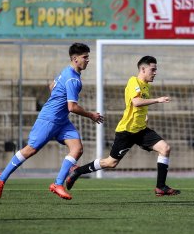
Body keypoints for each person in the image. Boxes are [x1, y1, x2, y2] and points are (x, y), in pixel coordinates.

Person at [0, 43, 104, 200]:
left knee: (77, 148)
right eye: (85, 57)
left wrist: (57, 100)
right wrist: (91, 115)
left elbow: (51, 85)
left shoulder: (66, 72)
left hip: (62, 121)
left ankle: (57, 184)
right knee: (30, 150)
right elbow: (72, 107)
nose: (88, 60)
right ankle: (1, 178)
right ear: (75, 58)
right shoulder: (72, 79)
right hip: (49, 119)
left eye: (88, 57)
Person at [66, 55, 180, 196]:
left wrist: (145, 115)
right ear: (143, 69)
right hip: (127, 131)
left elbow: (139, 106)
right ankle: (77, 171)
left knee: (165, 148)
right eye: (153, 69)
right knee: (111, 163)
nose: (155, 73)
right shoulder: (133, 81)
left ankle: (160, 187)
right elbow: (136, 102)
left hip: (141, 130)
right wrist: (158, 100)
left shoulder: (145, 86)